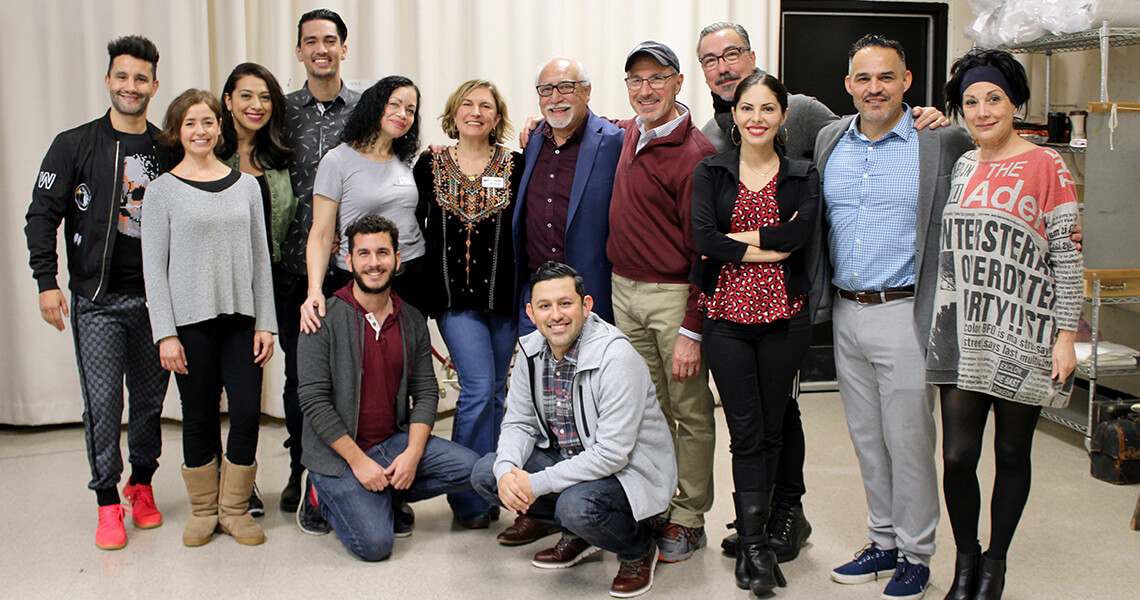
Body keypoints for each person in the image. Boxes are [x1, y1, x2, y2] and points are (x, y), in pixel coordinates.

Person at [696, 21, 953, 562]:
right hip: (834, 307)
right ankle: (863, 538)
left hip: (868, 307)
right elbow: (704, 235)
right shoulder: (721, 137)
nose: (723, 67)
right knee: (847, 434)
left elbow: (878, 134)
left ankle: (894, 546)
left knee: (882, 435)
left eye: (732, 54)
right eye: (710, 59)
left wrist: (933, 116)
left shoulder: (825, 119)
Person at [812, 35, 976, 600]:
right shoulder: (832, 138)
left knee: (908, 440)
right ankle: (881, 541)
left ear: (907, 82)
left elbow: (1000, 156)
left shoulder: (942, 140)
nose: (874, 88)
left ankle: (916, 554)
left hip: (907, 312)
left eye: (886, 77)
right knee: (867, 439)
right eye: (863, 78)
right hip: (847, 312)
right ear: (849, 85)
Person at [928, 49, 1082, 600]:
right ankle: (965, 564)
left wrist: (1067, 335)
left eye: (993, 98)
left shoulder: (1048, 166)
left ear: (1015, 103)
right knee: (957, 455)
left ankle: (994, 567)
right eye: (970, 101)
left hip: (1028, 333)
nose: (982, 110)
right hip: (965, 333)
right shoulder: (966, 163)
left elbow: (1066, 255)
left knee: (1013, 454)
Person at [24, 35, 171, 551]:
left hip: (157, 305)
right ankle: (108, 501)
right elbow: (41, 216)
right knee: (104, 404)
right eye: (122, 76)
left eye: (141, 78)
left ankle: (142, 484)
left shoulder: (166, 148)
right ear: (108, 80)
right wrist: (47, 282)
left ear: (155, 85)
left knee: (151, 404)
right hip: (97, 303)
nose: (131, 86)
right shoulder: (74, 144)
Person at [470, 262, 677, 598]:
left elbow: (611, 454)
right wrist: (507, 471)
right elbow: (519, 422)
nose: (556, 315)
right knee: (487, 473)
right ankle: (580, 534)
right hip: (569, 457)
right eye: (545, 306)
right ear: (531, 312)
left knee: (575, 507)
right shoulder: (530, 350)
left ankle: (638, 548)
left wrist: (535, 484)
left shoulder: (616, 356)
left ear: (586, 306)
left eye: (565, 303)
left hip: (627, 472)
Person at [690, 72, 820, 597]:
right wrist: (767, 244)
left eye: (768, 109)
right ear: (734, 115)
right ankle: (753, 546)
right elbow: (702, 237)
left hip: (784, 319)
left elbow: (799, 236)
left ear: (783, 116)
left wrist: (735, 240)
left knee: (773, 427)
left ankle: (760, 533)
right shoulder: (712, 170)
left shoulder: (802, 175)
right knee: (745, 431)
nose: (757, 118)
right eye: (748, 109)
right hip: (726, 319)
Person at [294, 214, 479, 561]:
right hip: (339, 457)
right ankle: (321, 494)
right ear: (348, 261)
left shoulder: (410, 319)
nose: (374, 263)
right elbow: (314, 401)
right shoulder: (320, 317)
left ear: (397, 259)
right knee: (376, 546)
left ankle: (386, 493)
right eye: (363, 253)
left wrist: (411, 455)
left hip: (390, 444)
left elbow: (426, 392)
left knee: (473, 469)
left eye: (382, 252)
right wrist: (359, 463)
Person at [142, 89, 277, 547]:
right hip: (189, 325)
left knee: (244, 413)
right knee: (198, 416)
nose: (200, 131)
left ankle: (235, 509)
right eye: (190, 124)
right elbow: (153, 270)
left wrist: (266, 323)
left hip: (242, 321)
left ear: (221, 127)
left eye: (208, 122)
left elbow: (261, 259)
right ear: (177, 132)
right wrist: (165, 334)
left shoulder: (247, 186)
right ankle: (204, 510)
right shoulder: (161, 192)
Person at [501, 58, 624, 546]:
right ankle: (545, 508)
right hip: (536, 299)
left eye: (566, 87)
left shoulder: (613, 141)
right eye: (545, 89)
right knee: (540, 408)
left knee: (583, 414)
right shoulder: (531, 141)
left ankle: (584, 516)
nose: (555, 97)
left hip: (586, 296)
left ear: (587, 92)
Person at [607, 40, 718, 563]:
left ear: (678, 82)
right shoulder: (629, 131)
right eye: (636, 80)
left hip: (673, 297)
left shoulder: (696, 155)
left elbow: (706, 253)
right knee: (645, 408)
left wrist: (693, 327)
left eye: (657, 78)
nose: (645, 89)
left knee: (688, 408)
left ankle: (690, 515)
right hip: (622, 290)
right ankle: (655, 501)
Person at [412, 79, 523, 529]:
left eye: (487, 106)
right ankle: (467, 496)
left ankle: (492, 484)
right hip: (454, 300)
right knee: (477, 388)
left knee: (497, 392)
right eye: (468, 104)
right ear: (453, 112)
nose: (476, 112)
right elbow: (411, 222)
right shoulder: (430, 163)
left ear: (498, 118)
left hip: (505, 297)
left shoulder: (516, 164)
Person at [275, 8, 361, 513]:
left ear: (343, 49)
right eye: (311, 41)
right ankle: (300, 469)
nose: (321, 48)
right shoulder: (280, 112)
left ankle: (365, 464)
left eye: (330, 40)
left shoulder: (367, 109)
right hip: (292, 268)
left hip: (355, 268)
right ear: (300, 50)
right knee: (300, 377)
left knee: (363, 372)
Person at [218, 62, 296, 517]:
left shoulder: (279, 157)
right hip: (219, 285)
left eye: (265, 97)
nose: (255, 106)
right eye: (245, 96)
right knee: (213, 393)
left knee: (251, 396)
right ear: (227, 100)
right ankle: (220, 487)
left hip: (272, 282)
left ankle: (245, 480)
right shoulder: (207, 151)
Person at [302, 75, 427, 334]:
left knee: (405, 363)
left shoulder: (407, 161)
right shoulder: (337, 160)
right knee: (360, 362)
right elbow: (322, 233)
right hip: (360, 276)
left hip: (412, 274)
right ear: (375, 104)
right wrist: (314, 289)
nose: (402, 114)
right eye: (394, 104)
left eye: (410, 110)